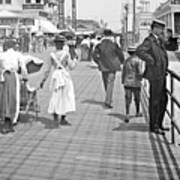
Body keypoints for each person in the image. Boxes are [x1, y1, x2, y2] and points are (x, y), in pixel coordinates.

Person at [136, 19, 169, 135]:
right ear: (155, 28)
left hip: (161, 74)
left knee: (163, 99)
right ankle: (154, 125)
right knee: (155, 100)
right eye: (160, 29)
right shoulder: (149, 40)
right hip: (155, 74)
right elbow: (139, 51)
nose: (162, 31)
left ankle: (159, 123)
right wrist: (151, 60)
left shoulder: (159, 41)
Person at [40, 35, 78, 126]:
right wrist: (75, 60)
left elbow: (48, 69)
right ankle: (63, 118)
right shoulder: (66, 54)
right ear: (63, 44)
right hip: (64, 75)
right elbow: (71, 66)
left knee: (55, 95)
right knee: (65, 96)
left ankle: (55, 115)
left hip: (56, 76)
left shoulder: (52, 55)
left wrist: (43, 80)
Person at [0, 40, 27, 134]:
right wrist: (25, 77)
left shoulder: (2, 55)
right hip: (13, 76)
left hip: (3, 77)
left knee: (4, 98)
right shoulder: (18, 55)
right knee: (13, 97)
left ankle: (4, 117)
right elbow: (23, 68)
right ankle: (11, 119)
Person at [93, 29, 124, 108]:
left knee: (105, 83)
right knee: (110, 83)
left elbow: (94, 55)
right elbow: (120, 54)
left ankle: (108, 98)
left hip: (103, 66)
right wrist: (122, 62)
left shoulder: (99, 45)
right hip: (113, 66)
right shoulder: (114, 44)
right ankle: (108, 100)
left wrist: (98, 62)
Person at [122, 46, 144, 123]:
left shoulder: (126, 60)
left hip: (127, 81)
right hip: (135, 82)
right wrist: (141, 78)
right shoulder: (138, 60)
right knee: (137, 98)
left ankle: (127, 113)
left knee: (128, 98)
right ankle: (137, 112)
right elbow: (140, 72)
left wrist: (122, 80)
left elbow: (123, 72)